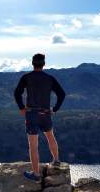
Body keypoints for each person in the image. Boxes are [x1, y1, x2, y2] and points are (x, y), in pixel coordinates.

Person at [14, 53, 66, 183]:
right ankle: (56, 160)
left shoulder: (26, 77)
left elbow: (17, 93)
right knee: (50, 136)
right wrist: (54, 109)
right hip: (46, 113)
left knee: (33, 146)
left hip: (32, 113)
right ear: (44, 64)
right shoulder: (49, 78)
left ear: (32, 63)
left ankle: (36, 174)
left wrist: (21, 107)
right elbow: (62, 94)